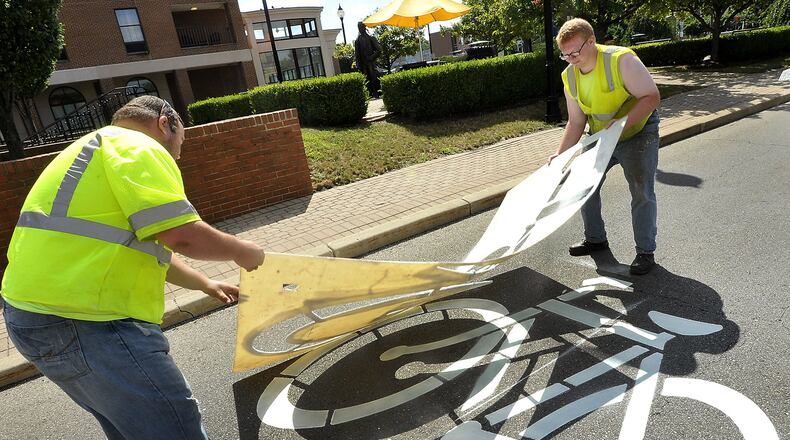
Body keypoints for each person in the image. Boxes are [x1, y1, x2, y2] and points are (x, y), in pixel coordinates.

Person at [1, 96, 265, 439]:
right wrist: (243, 251)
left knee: (135, 429)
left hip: (33, 317)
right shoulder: (139, 147)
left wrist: (206, 285)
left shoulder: (91, 147)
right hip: (86, 321)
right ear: (165, 122)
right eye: (181, 137)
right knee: (174, 426)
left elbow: (150, 248)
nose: (179, 151)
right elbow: (181, 236)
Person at [549, 18, 661, 275]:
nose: (571, 58)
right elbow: (576, 121)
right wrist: (560, 154)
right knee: (584, 186)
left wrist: (621, 124)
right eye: (565, 55)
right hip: (600, 137)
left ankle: (645, 252)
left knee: (641, 189)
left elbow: (651, 96)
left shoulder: (621, 60)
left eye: (575, 52)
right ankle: (595, 239)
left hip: (638, 132)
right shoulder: (570, 76)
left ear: (591, 42)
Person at [354, 21, 382, 98]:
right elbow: (357, 54)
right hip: (363, 64)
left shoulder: (371, 37)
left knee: (374, 78)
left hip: (371, 62)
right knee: (366, 79)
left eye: (360, 27)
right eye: (358, 27)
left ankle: (376, 93)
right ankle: (369, 94)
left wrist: (372, 57)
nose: (359, 29)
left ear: (364, 27)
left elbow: (379, 50)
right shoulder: (357, 40)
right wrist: (358, 65)